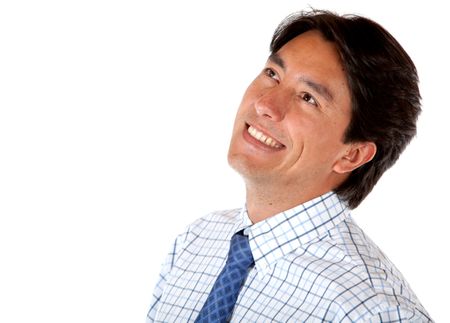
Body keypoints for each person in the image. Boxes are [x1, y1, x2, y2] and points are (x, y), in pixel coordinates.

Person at [146, 9, 433, 322]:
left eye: (308, 97)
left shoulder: (371, 309)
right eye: (273, 74)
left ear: (352, 155)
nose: (265, 105)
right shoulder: (196, 241)